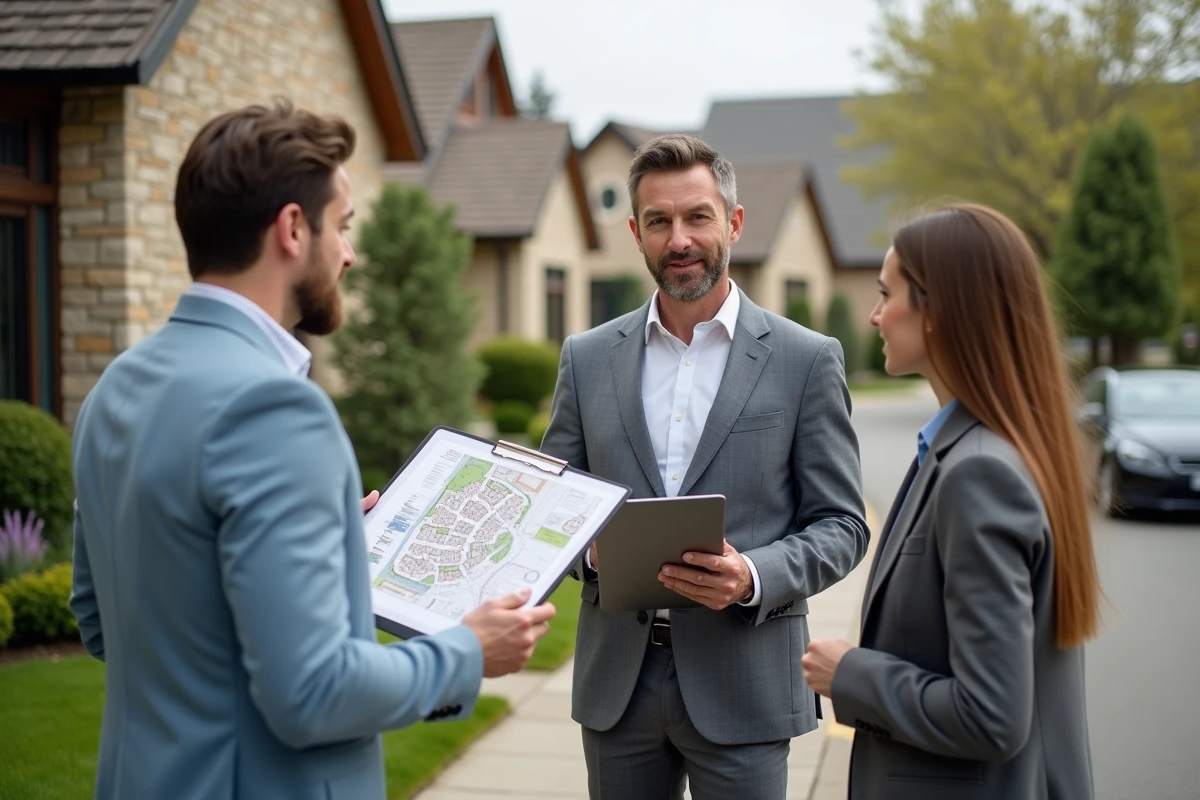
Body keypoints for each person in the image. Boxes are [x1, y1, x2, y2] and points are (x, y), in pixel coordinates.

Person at [69, 101, 555, 800]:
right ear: (294, 229)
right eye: (344, 225)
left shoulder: (115, 387)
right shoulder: (278, 409)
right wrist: (467, 651)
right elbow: (315, 694)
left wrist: (319, 559)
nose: (350, 253)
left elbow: (105, 621)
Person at [540, 133, 869, 800]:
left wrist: (752, 574)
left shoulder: (806, 359)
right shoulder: (587, 356)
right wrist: (591, 555)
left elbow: (841, 524)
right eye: (659, 221)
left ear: (734, 223)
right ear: (636, 232)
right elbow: (547, 501)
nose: (679, 239)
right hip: (618, 687)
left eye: (697, 216)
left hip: (744, 682)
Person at [802, 203, 1100, 800]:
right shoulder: (969, 449)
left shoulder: (980, 472)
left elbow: (992, 715)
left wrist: (852, 675)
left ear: (938, 310)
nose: (874, 314)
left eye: (887, 294)